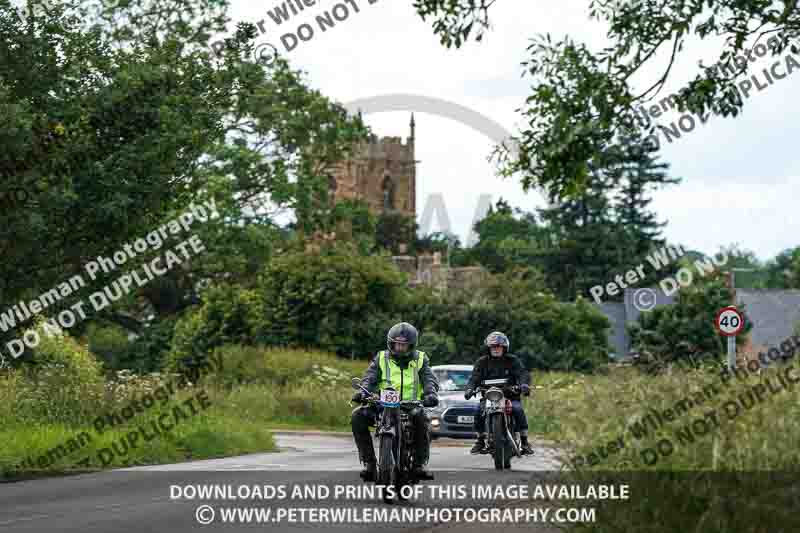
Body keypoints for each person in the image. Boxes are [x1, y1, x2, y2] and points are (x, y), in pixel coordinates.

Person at [351, 322, 439, 481]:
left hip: (409, 405)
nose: (399, 348)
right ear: (391, 343)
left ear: (411, 345)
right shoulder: (381, 357)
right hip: (382, 404)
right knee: (358, 416)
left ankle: (419, 464)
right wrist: (362, 392)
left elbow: (429, 379)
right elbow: (369, 378)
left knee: (423, 420)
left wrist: (430, 394)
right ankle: (369, 464)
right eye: (397, 344)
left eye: (403, 345)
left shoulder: (420, 358)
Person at [464, 331, 534, 456]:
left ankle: (524, 441)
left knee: (518, 409)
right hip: (489, 396)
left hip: (510, 396)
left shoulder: (512, 360)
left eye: (499, 346)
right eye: (493, 347)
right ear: (488, 348)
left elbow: (522, 373)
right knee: (478, 410)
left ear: (504, 348)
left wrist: (524, 385)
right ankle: (480, 440)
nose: (496, 349)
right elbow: (474, 379)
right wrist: (470, 389)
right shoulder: (482, 362)